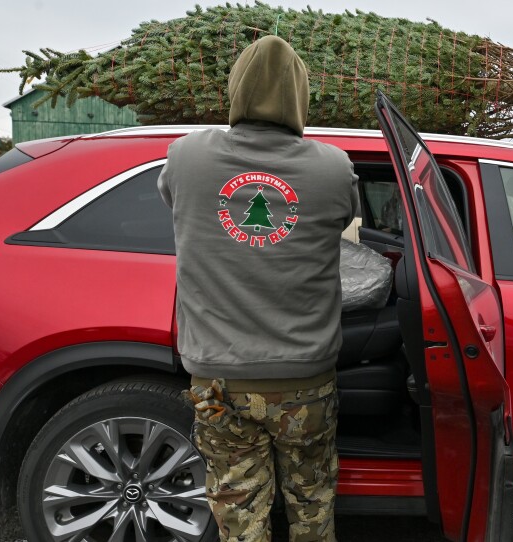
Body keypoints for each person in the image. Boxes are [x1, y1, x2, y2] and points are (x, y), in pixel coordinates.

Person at [157, 35, 358, 542]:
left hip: (219, 381)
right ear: (300, 96)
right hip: (305, 380)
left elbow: (170, 198)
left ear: (237, 90)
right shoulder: (334, 166)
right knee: (312, 508)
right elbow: (346, 218)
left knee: (239, 517)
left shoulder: (185, 157)